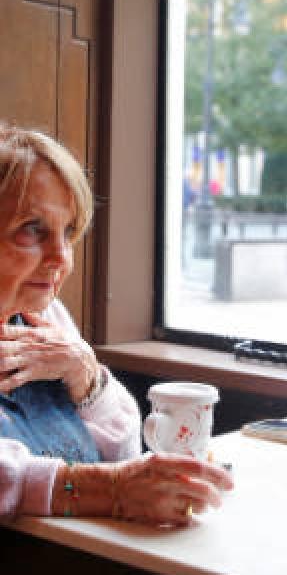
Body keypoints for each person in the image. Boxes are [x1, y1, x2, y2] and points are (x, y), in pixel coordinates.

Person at [0, 124, 233, 523]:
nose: (61, 258)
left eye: (69, 232)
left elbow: (126, 454)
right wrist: (111, 490)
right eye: (32, 229)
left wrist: (86, 374)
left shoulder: (47, 316)